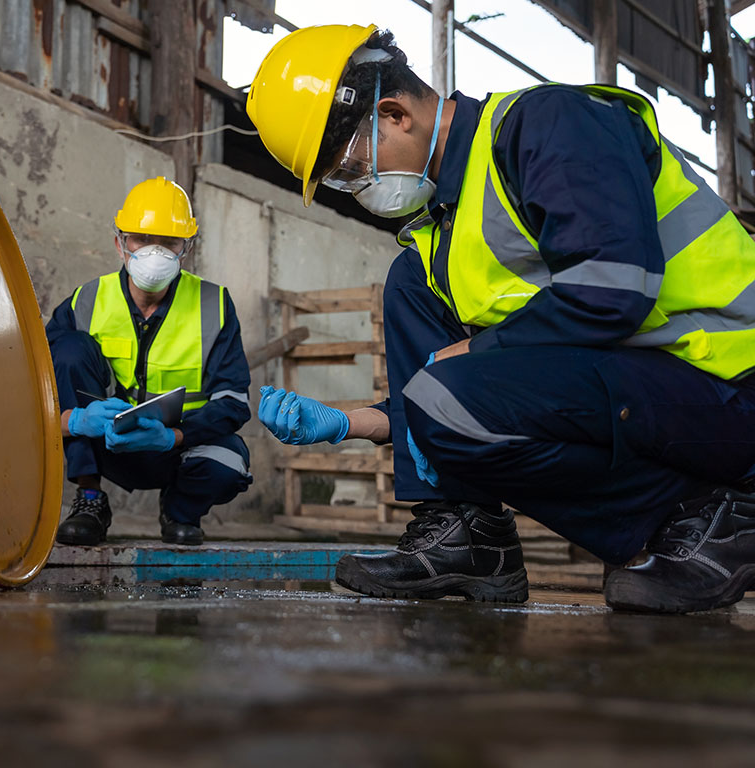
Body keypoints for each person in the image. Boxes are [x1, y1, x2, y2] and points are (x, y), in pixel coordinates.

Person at [245, 24, 755, 613]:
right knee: (411, 285)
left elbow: (614, 288)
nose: (357, 188)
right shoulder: (446, 235)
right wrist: (353, 422)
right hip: (654, 391)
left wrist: (478, 356)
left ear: (393, 114)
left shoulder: (549, 125)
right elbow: (508, 390)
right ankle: (465, 532)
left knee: (447, 387)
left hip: (731, 388)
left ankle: (718, 512)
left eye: (352, 169)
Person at [46, 177, 252, 546]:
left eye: (169, 242)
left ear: (186, 247)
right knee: (69, 350)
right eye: (141, 239)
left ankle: (179, 510)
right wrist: (74, 420)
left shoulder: (214, 305)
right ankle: (90, 499)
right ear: (120, 243)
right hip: (102, 443)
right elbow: (34, 382)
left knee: (230, 463)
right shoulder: (86, 300)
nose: (154, 252)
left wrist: (174, 435)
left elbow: (233, 403)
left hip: (176, 445)